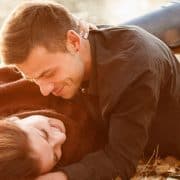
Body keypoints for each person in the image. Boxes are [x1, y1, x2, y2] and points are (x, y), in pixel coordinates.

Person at [1, 1, 180, 180]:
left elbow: (120, 162)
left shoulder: (134, 72)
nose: (44, 90)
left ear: (73, 42)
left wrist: (57, 177)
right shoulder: (69, 52)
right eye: (34, 79)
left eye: (49, 73)